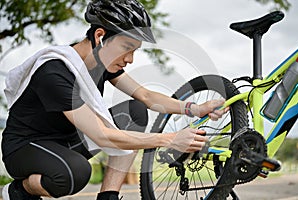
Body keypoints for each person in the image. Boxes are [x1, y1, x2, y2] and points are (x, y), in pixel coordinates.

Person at [1, 0, 228, 199]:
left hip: (68, 139)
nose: (130, 59)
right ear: (100, 37)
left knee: (135, 111)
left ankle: (108, 196)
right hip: (26, 147)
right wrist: (170, 139)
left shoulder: (102, 63)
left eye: (135, 51)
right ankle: (18, 192)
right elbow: (101, 135)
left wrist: (195, 109)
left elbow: (146, 96)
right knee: (75, 173)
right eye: (127, 48)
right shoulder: (55, 72)